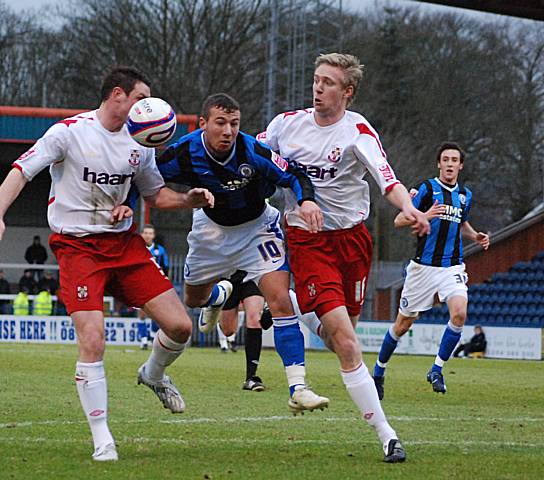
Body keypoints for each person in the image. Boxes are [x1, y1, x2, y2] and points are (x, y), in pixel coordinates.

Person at [0, 66, 214, 462]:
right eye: (139, 97)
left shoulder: (141, 142)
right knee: (94, 339)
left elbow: (156, 195)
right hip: (78, 247)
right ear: (117, 95)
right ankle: (103, 437)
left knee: (181, 325)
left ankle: (152, 374)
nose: (145, 106)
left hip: (124, 246)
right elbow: (21, 170)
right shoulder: (69, 132)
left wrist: (189, 200)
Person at [260, 53, 432, 463]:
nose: (318, 88)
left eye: (329, 83)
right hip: (307, 239)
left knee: (340, 336)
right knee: (349, 342)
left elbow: (387, 180)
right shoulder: (287, 125)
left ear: (348, 92)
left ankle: (294, 305)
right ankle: (387, 434)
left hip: (353, 242)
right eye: (317, 80)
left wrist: (406, 207)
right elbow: (254, 155)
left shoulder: (357, 131)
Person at [156, 93, 328, 414]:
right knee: (193, 300)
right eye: (220, 123)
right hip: (210, 233)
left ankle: (298, 386)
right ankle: (218, 297)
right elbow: (149, 179)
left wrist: (306, 200)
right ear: (203, 123)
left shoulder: (253, 150)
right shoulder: (183, 152)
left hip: (257, 230)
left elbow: (293, 174)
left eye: (234, 124)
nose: (228, 131)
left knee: (279, 300)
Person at [373, 141, 490, 398]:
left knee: (459, 313)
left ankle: (436, 369)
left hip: (452, 266)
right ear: (439, 163)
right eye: (445, 159)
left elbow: (461, 224)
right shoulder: (427, 189)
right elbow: (399, 220)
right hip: (423, 268)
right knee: (402, 324)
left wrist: (475, 236)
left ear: (460, 165)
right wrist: (424, 215)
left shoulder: (465, 196)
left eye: (454, 160)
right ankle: (379, 372)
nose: (449, 164)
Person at [219, 271, 266, 391]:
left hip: (251, 273)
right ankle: (214, 305)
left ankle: (251, 378)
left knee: (255, 319)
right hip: (228, 276)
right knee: (228, 330)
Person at [137, 224, 169, 349]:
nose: (148, 235)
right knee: (142, 312)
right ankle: (144, 340)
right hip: (140, 284)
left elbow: (166, 267)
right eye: (145, 233)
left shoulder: (160, 250)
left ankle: (152, 336)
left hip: (156, 285)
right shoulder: (137, 249)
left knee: (157, 313)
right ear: (141, 234)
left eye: (150, 233)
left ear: (153, 236)